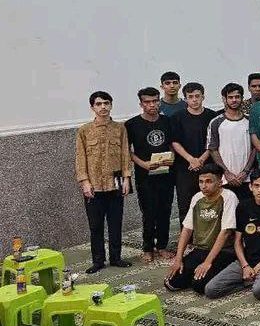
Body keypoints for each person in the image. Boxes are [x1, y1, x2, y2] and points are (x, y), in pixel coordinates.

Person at [203, 168, 260, 300]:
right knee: (211, 289)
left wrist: (258, 267)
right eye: (256, 186)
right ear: (250, 187)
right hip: (247, 259)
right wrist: (245, 265)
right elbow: (237, 241)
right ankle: (249, 281)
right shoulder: (243, 207)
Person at [75, 91, 132, 273]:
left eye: (106, 103)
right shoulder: (84, 131)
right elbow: (80, 158)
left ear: (111, 105)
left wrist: (127, 178)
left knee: (116, 224)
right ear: (92, 107)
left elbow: (125, 154)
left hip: (115, 184)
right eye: (98, 104)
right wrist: (84, 181)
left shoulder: (120, 128)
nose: (103, 107)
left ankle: (116, 257)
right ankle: (98, 260)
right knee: (96, 226)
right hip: (94, 186)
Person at [165, 163, 238, 293]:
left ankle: (234, 276)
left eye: (209, 181)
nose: (204, 186)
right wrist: (178, 259)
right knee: (172, 282)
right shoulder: (197, 197)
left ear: (220, 182)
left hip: (224, 251)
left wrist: (207, 262)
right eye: (201, 182)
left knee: (199, 285)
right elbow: (187, 229)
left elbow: (226, 232)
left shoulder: (229, 197)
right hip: (201, 249)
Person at [125, 87, 175, 263]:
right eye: (147, 102)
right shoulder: (132, 124)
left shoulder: (167, 121)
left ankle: (162, 246)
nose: (152, 105)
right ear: (141, 104)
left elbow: (172, 144)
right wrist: (143, 164)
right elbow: (127, 151)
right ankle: (147, 248)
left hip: (166, 174)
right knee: (148, 213)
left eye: (155, 101)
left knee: (165, 211)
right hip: (145, 176)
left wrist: (172, 157)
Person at [170, 82, 217, 228]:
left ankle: (209, 235)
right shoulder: (177, 117)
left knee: (210, 203)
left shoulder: (212, 116)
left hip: (207, 165)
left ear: (203, 97)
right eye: (190, 97)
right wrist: (191, 159)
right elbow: (175, 142)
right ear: (185, 99)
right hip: (185, 168)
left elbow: (214, 141)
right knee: (186, 205)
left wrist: (201, 159)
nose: (194, 100)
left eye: (197, 96)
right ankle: (187, 238)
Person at [208, 83, 255, 201]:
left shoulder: (250, 120)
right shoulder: (216, 122)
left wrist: (246, 171)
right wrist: (226, 172)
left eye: (237, 97)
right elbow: (213, 149)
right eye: (230, 97)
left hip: (247, 178)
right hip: (225, 179)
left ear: (242, 98)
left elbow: (255, 147)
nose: (234, 100)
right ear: (224, 99)